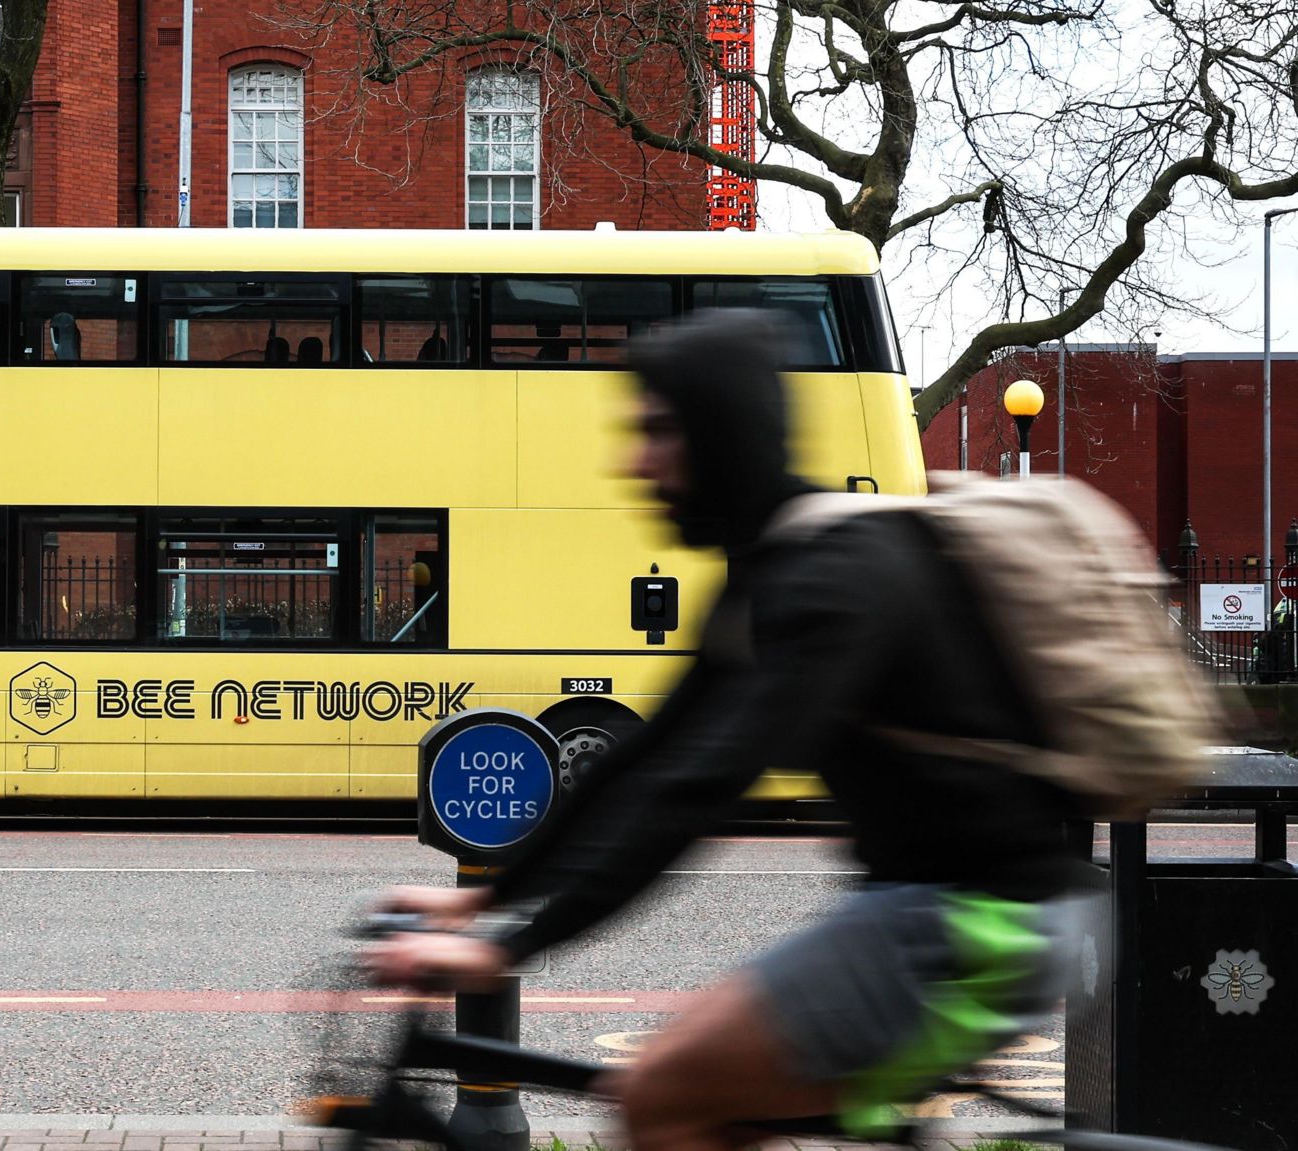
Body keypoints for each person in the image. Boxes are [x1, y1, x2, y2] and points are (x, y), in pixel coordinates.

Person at [364, 311, 1089, 1151]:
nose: (634, 461)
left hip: (980, 928)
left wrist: (513, 946)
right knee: (702, 1107)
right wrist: (487, 900)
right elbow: (641, 759)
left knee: (662, 1096)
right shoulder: (771, 569)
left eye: (658, 430)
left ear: (720, 435)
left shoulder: (832, 579)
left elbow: (698, 787)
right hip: (931, 913)